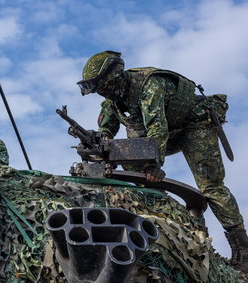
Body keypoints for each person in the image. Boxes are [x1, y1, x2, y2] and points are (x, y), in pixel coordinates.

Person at [77, 50, 248, 273]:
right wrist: (102, 141)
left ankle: (243, 250)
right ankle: (160, 214)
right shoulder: (112, 98)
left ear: (116, 79)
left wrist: (154, 167)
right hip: (164, 132)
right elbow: (108, 126)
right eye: (98, 90)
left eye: (104, 87)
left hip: (194, 125)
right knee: (129, 155)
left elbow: (157, 128)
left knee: (210, 186)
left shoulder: (149, 86)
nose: (102, 93)